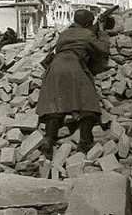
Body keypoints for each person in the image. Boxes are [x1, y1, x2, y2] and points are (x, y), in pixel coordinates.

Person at [36, 9, 110, 157]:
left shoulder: (64, 34)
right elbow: (103, 50)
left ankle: (49, 139)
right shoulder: (88, 34)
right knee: (88, 103)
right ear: (89, 23)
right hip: (73, 66)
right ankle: (85, 141)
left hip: (55, 68)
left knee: (54, 105)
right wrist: (101, 31)